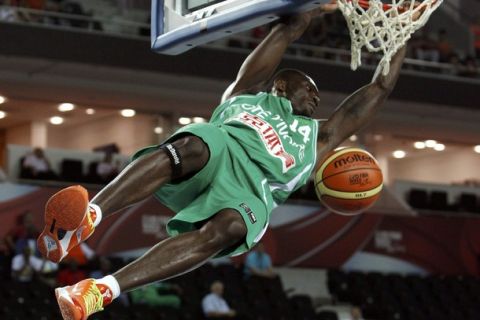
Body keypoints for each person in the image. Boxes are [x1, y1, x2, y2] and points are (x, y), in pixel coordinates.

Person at [36, 1, 416, 319]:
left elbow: (380, 87)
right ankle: (86, 220)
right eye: (309, 89)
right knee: (196, 142)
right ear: (282, 84)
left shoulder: (321, 135)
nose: (316, 99)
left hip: (251, 189)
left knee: (233, 227)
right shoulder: (247, 93)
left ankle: (99, 291)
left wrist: (400, 33)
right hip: (221, 150)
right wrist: (310, 7)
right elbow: (287, 28)